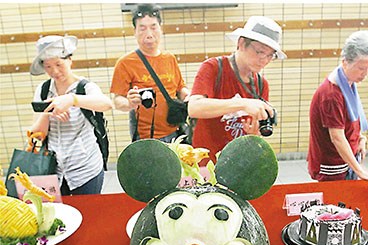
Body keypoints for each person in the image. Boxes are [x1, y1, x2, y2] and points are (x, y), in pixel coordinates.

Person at [188, 16, 286, 161]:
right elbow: (194, 107)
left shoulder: (261, 84)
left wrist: (254, 134)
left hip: (238, 164)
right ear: (241, 43)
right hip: (206, 162)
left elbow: (254, 134)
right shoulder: (214, 68)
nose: (264, 60)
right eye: (260, 52)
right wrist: (243, 103)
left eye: (270, 55)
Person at [29, 35, 112, 195]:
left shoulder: (85, 87)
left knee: (89, 212)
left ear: (69, 60)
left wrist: (72, 99)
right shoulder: (43, 90)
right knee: (60, 215)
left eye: (59, 64)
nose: (55, 71)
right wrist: (48, 112)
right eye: (48, 67)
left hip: (86, 169)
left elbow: (106, 104)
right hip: (54, 170)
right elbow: (37, 134)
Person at [308, 30, 368, 181]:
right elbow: (337, 137)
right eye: (361, 68)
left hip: (346, 159)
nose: (366, 73)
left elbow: (350, 117)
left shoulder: (346, 82)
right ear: (345, 62)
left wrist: (360, 138)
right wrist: (361, 171)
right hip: (332, 165)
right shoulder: (331, 94)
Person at [110, 4, 190, 142]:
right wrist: (129, 103)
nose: (149, 34)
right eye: (142, 28)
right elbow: (117, 100)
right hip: (145, 137)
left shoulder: (170, 58)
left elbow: (180, 88)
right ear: (135, 32)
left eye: (153, 27)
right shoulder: (125, 63)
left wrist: (189, 97)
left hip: (176, 132)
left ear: (160, 29)